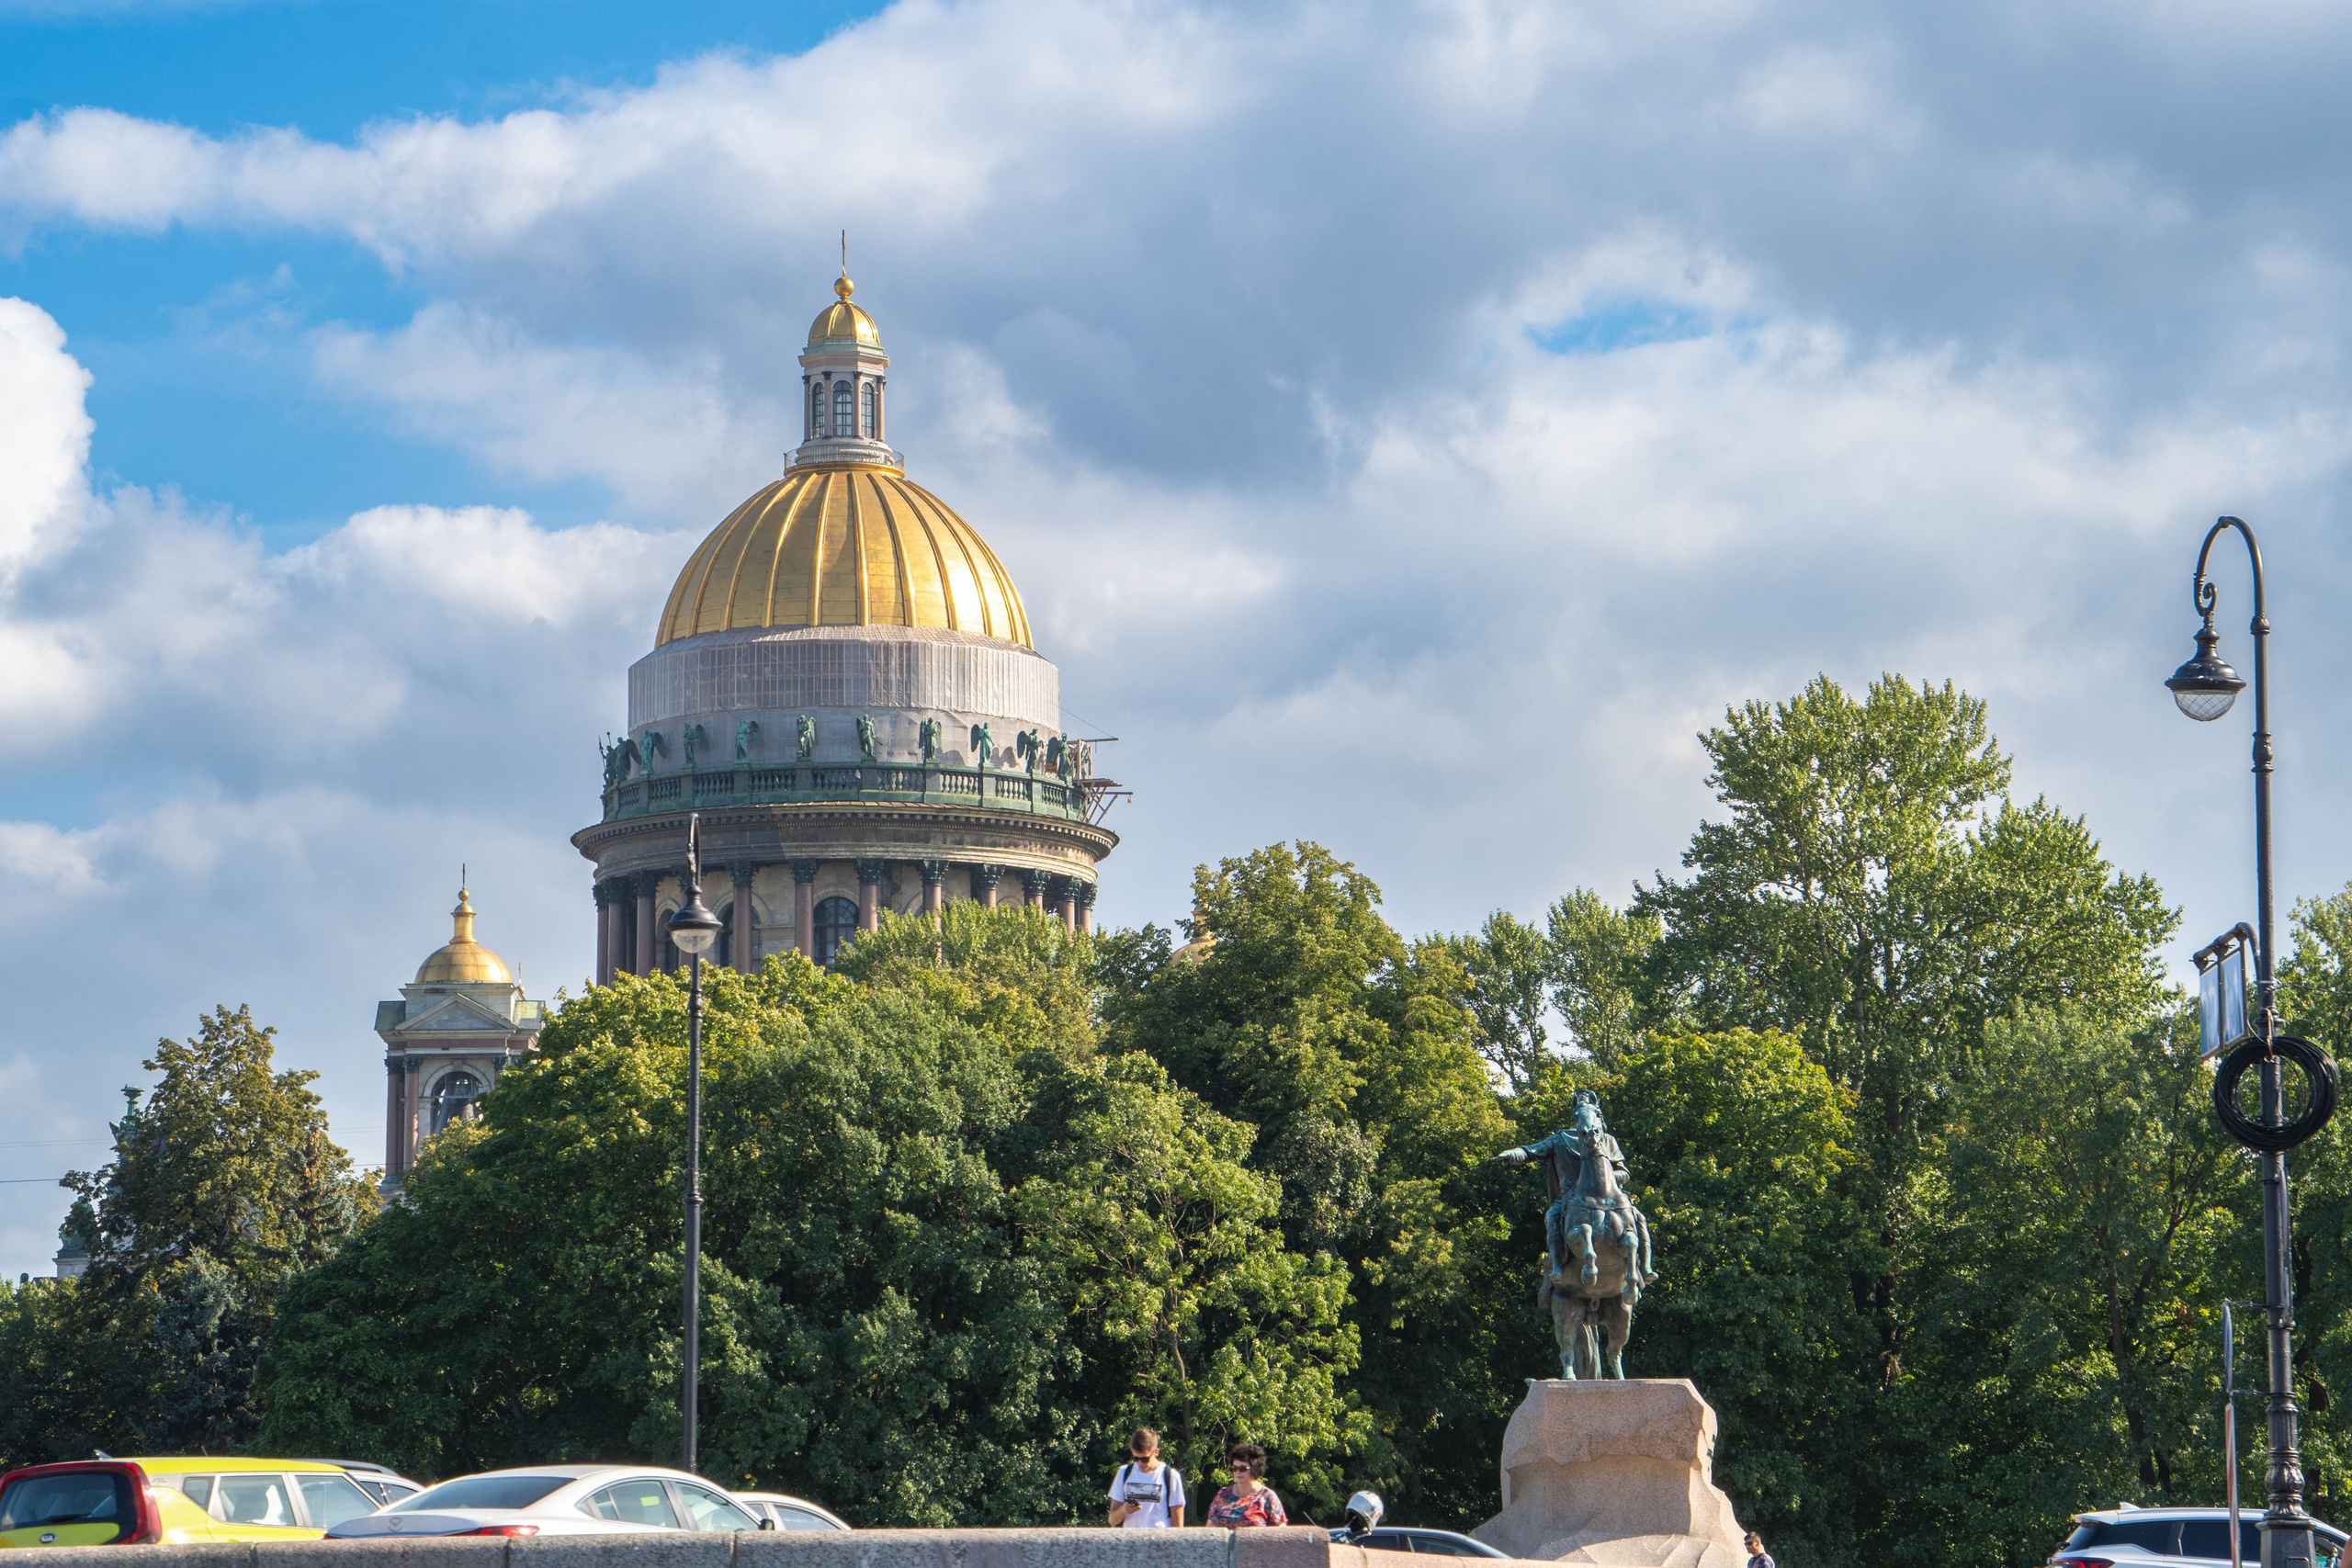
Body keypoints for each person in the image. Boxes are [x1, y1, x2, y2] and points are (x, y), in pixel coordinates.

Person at [1107, 1427, 1185, 1529]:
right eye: (1136, 1458)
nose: (1140, 1463)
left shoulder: (1170, 1476)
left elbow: (1178, 1525)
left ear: (1156, 1452)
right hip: (1131, 1537)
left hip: (1160, 1537)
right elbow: (1112, 1520)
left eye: (1145, 1459)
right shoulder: (1124, 1473)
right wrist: (1123, 1510)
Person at [1204, 1444, 1286, 1529]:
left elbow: (1280, 1530)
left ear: (1255, 1469)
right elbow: (1209, 1527)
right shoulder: (1223, 1494)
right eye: (1234, 1468)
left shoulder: (1267, 1497)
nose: (1237, 1472)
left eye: (1242, 1468)